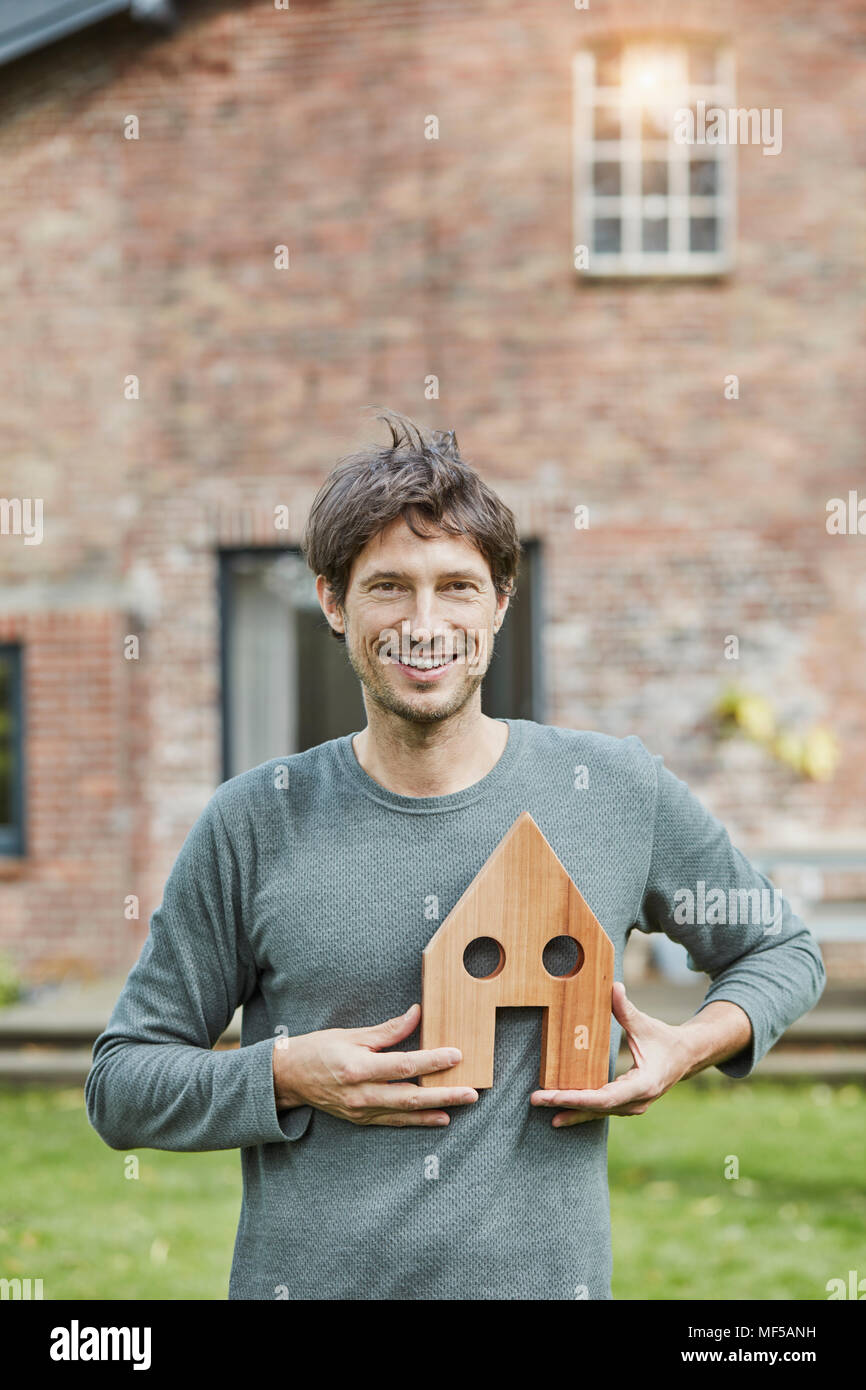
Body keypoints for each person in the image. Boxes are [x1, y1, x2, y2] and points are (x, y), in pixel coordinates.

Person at [85, 410, 826, 1300]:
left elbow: (780, 948)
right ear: (333, 601)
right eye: (389, 586)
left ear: (502, 602)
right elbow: (122, 1082)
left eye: (457, 587)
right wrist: (284, 1074)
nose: (423, 622)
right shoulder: (254, 822)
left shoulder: (615, 790)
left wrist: (691, 1046)